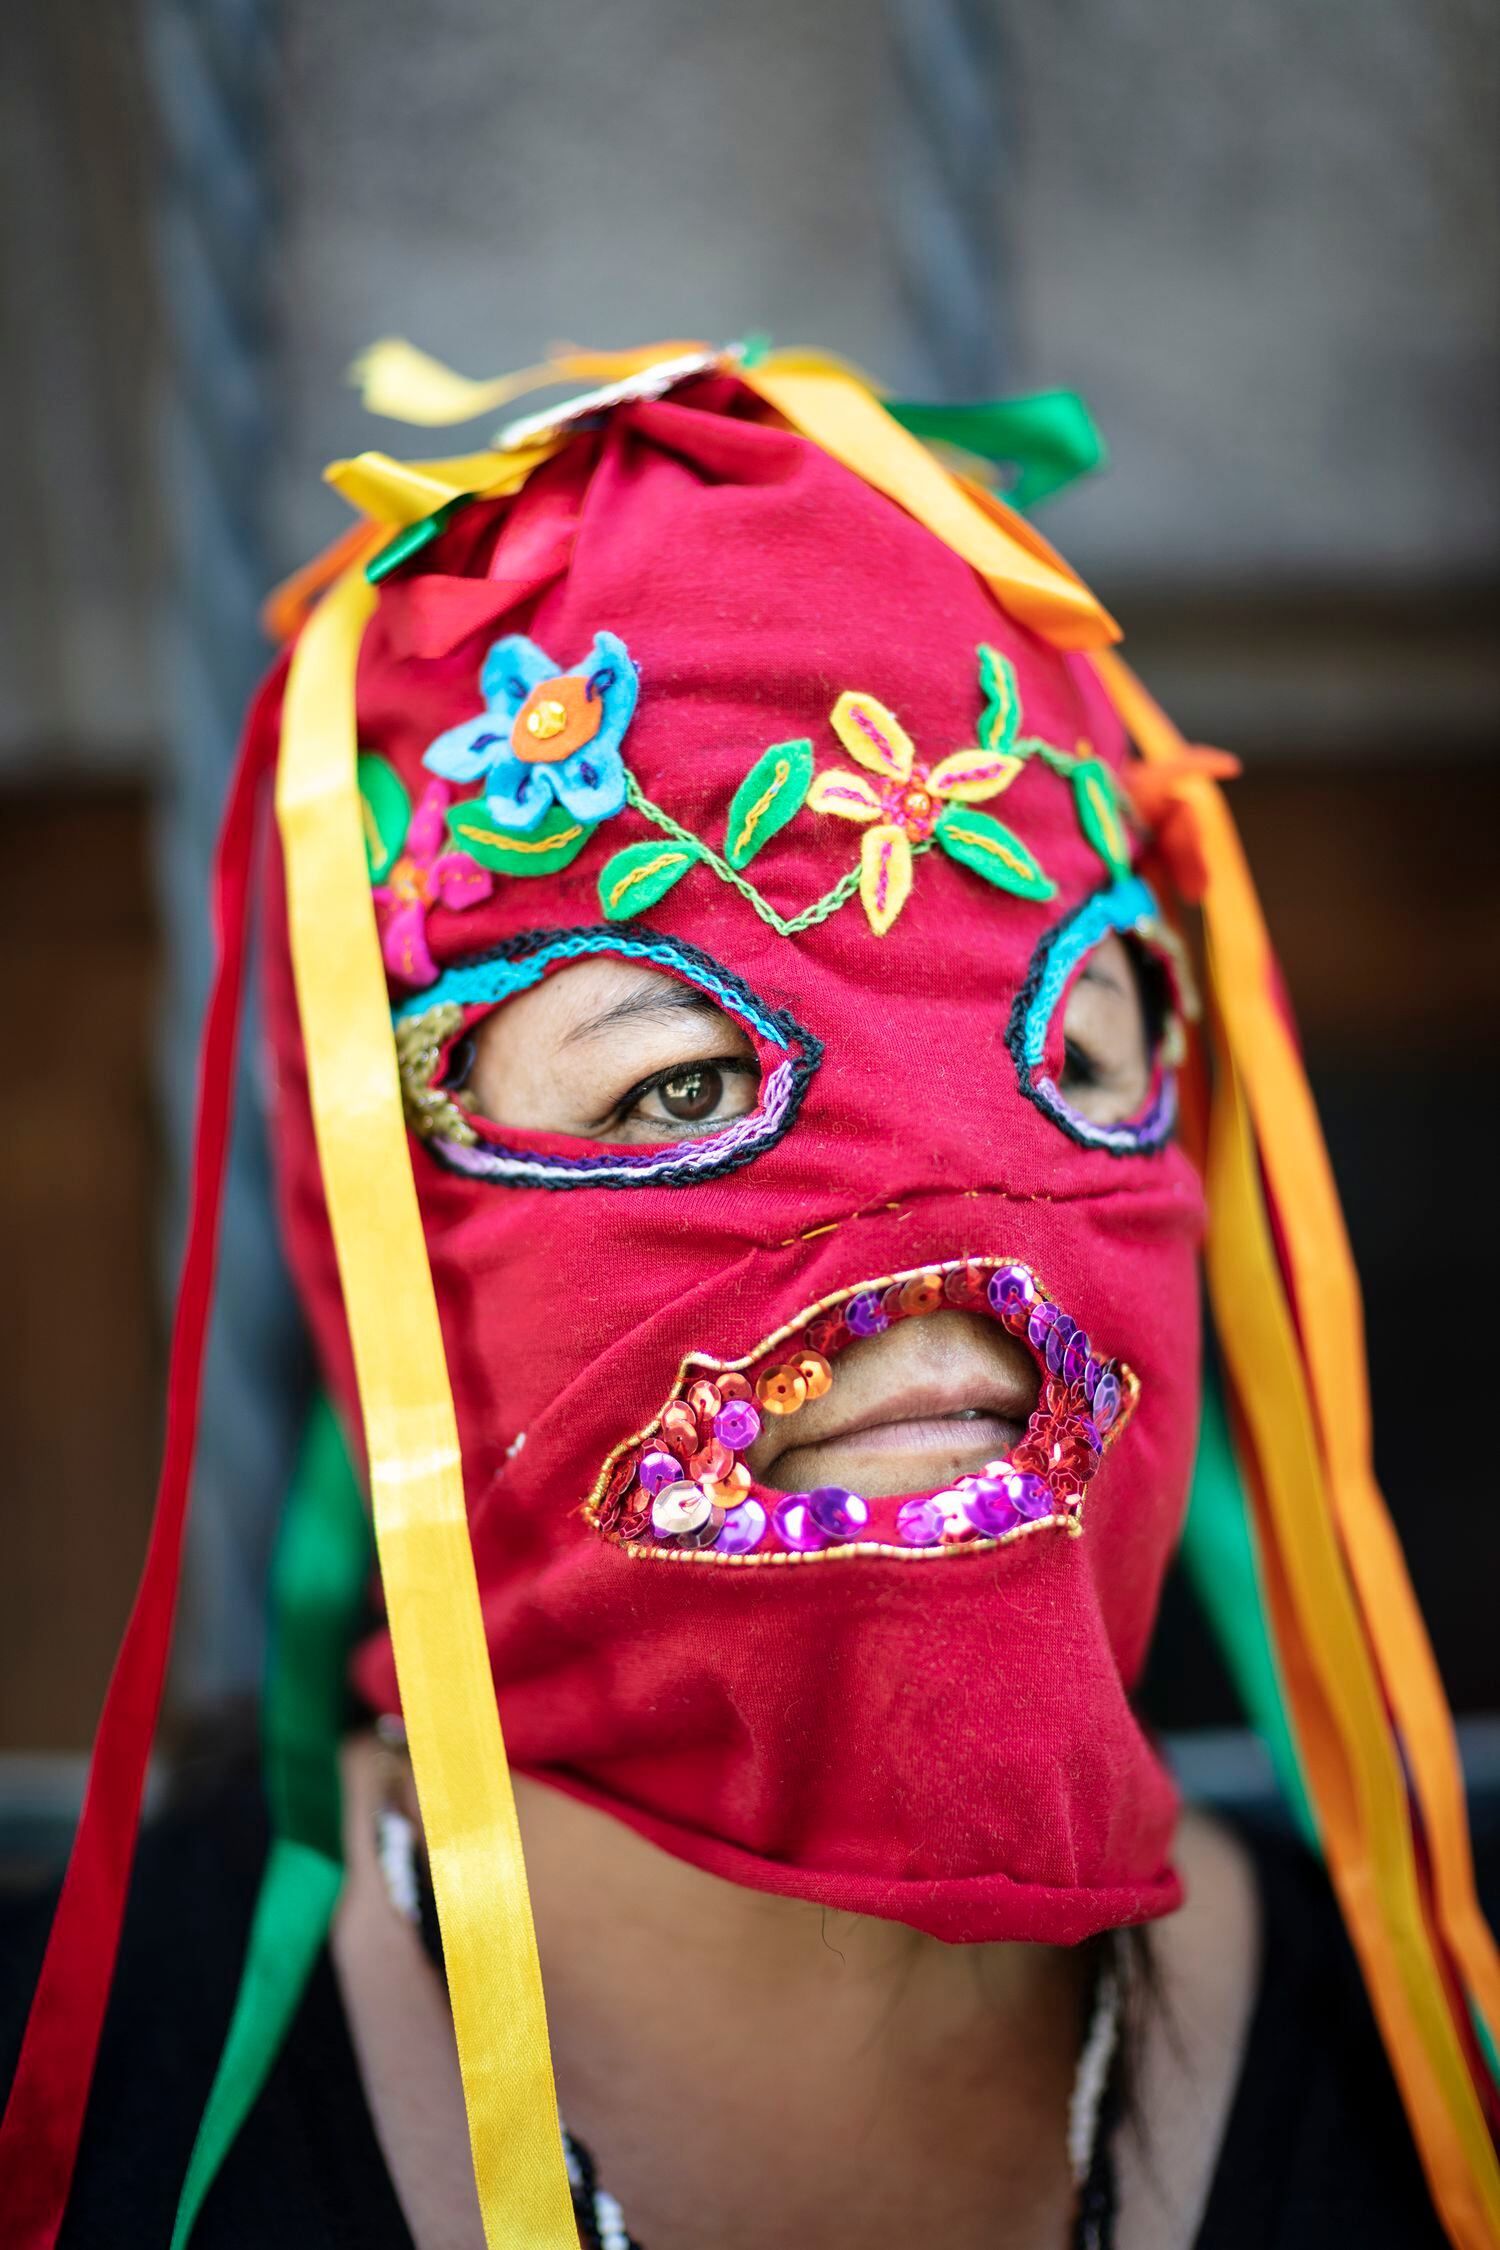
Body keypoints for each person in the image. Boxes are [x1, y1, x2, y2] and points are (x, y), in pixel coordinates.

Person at [2, 342, 1495, 2250]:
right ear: (390, 1237)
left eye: (1079, 1054)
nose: (952, 1229)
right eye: (677, 1085)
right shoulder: (103, 2105)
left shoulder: (1432, 2035)